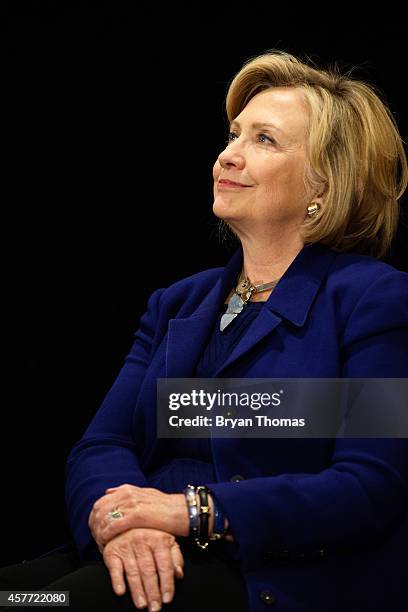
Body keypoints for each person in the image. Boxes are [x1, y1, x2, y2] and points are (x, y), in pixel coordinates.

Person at [1, 50, 408, 612]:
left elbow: (370, 486)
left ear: (324, 185)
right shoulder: (178, 302)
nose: (227, 156)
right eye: (233, 135)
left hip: (260, 576)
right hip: (143, 557)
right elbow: (103, 444)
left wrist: (191, 511)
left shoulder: (373, 298)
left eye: (263, 140)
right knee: (17, 598)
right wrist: (131, 527)